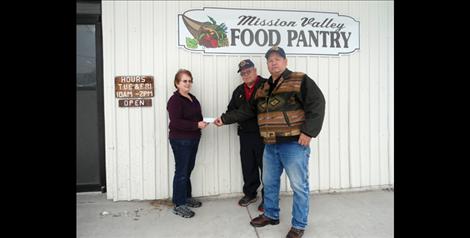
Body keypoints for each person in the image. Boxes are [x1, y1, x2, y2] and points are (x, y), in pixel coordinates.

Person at [215, 46, 325, 238]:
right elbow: (248, 110)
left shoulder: (299, 79)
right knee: (270, 182)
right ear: (267, 64)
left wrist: (309, 132)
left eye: (277, 59)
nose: (273, 62)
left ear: (285, 61)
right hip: (270, 144)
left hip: (294, 145)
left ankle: (298, 225)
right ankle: (271, 215)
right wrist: (224, 119)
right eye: (270, 60)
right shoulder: (264, 88)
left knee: (299, 186)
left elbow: (317, 103)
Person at [167, 69, 208, 218]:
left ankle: (186, 197)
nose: (188, 83)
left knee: (187, 170)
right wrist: (196, 125)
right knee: (181, 172)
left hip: (193, 138)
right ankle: (179, 204)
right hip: (180, 140)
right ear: (177, 83)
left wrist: (202, 123)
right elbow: (176, 122)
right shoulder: (175, 100)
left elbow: (197, 116)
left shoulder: (192, 98)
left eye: (190, 80)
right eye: (184, 81)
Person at [226, 59, 266, 212]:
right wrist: (226, 118)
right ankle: (250, 194)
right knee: (248, 166)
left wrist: (241, 114)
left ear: (255, 71)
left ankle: (268, 198)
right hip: (245, 135)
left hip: (264, 135)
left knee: (267, 168)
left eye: (248, 71)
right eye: (243, 73)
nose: (246, 75)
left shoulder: (266, 85)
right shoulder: (238, 91)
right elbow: (231, 111)